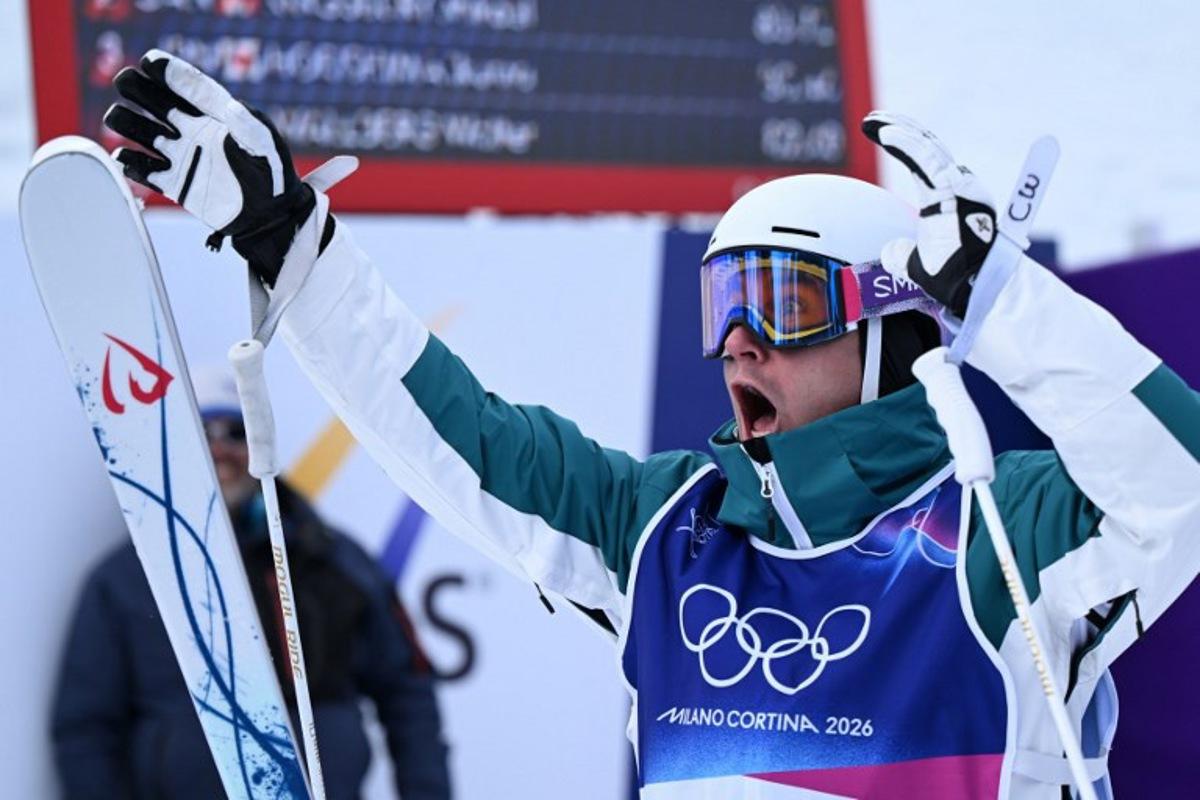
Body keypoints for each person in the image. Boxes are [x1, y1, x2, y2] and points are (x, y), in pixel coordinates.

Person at [101, 50, 1200, 799]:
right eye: (725, 305)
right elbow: (461, 434)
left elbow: (1179, 483)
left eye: (785, 300)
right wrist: (289, 238)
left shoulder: (1001, 534)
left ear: (894, 335)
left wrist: (1003, 300)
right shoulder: (667, 531)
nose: (741, 341)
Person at [51, 366, 452, 800]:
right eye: (202, 433)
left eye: (236, 433)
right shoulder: (125, 581)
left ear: (260, 446)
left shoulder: (335, 562)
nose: (220, 449)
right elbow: (85, 731)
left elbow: (408, 692)